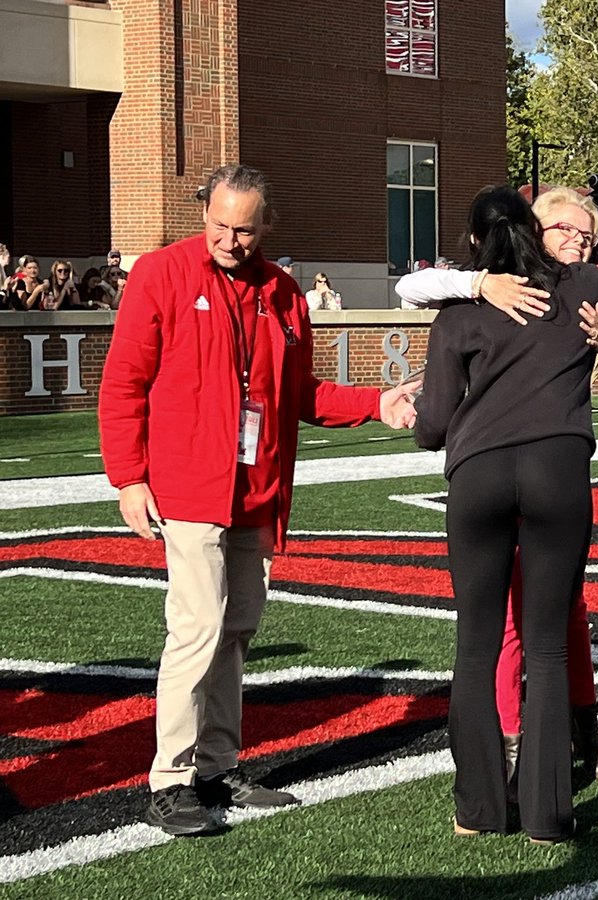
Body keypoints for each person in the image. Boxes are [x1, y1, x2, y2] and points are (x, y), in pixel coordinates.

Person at [98, 164, 415, 838]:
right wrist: (129, 478)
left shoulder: (282, 292)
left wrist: (374, 402)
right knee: (197, 628)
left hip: (256, 489)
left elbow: (300, 393)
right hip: (188, 488)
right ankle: (172, 779)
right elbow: (123, 383)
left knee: (237, 628)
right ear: (203, 213)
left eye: (244, 228)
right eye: (220, 224)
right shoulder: (161, 275)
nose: (231, 239)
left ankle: (217, 764)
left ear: (266, 225)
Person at [397, 186, 598, 786]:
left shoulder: (588, 292)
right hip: (549, 475)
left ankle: (576, 739)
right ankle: (521, 750)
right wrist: (477, 283)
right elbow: (408, 288)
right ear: (531, 229)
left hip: (495, 474)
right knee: (523, 627)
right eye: (565, 230)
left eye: (587, 236)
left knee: (557, 620)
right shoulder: (488, 290)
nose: (577, 241)